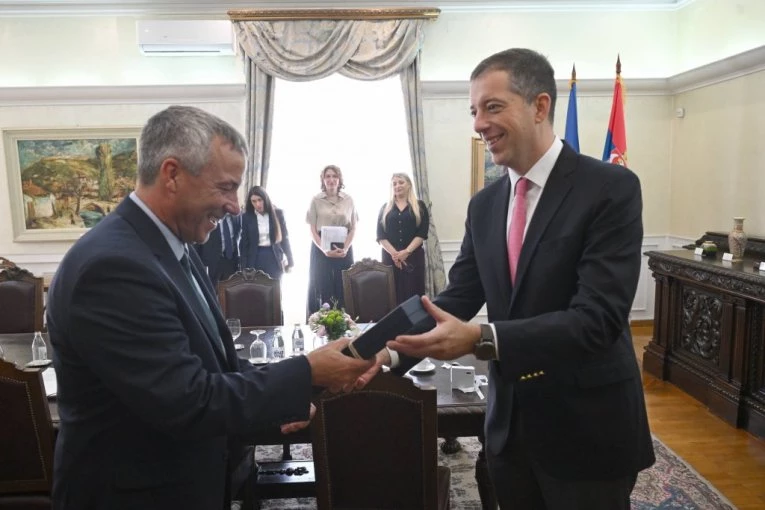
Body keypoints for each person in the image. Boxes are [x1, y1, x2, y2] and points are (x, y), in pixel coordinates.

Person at [46, 105, 373, 510]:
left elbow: (218, 367)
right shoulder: (113, 267)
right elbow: (188, 401)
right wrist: (306, 372)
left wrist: (308, 381)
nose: (235, 205)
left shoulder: (172, 248)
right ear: (172, 175)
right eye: (225, 187)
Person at [382, 49, 656, 509]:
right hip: (509, 431)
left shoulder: (610, 189)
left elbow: (598, 319)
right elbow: (456, 298)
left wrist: (482, 339)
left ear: (540, 106)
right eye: (474, 111)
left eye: (492, 107)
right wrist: (382, 352)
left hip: (587, 431)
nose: (479, 124)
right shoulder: (484, 205)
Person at [305, 164, 357, 317]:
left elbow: (353, 228)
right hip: (322, 247)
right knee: (323, 285)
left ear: (339, 179)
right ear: (323, 179)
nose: (331, 179)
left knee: (343, 287)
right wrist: (324, 249)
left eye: (334, 176)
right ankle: (323, 323)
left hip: (343, 247)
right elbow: (312, 229)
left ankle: (343, 323)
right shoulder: (315, 200)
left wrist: (345, 248)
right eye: (328, 176)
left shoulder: (349, 200)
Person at [376, 173, 429, 304]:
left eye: (401, 182)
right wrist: (396, 255)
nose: (397, 186)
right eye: (394, 184)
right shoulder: (385, 208)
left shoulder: (420, 206)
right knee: (392, 295)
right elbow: (381, 235)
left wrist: (406, 252)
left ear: (409, 184)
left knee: (413, 295)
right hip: (391, 259)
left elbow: (422, 233)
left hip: (413, 258)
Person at [240, 185, 293, 280]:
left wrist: (290, 260)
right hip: (255, 258)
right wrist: (243, 268)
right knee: (256, 288)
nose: (257, 204)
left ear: (265, 199)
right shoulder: (247, 217)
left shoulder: (278, 214)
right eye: (254, 201)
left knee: (274, 287)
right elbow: (244, 244)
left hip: (274, 257)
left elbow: (285, 239)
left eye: (260, 200)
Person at [194, 211, 241, 284]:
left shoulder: (236, 217)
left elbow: (237, 236)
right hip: (211, 262)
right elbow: (197, 242)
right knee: (211, 288)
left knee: (231, 288)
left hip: (230, 261)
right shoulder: (206, 217)